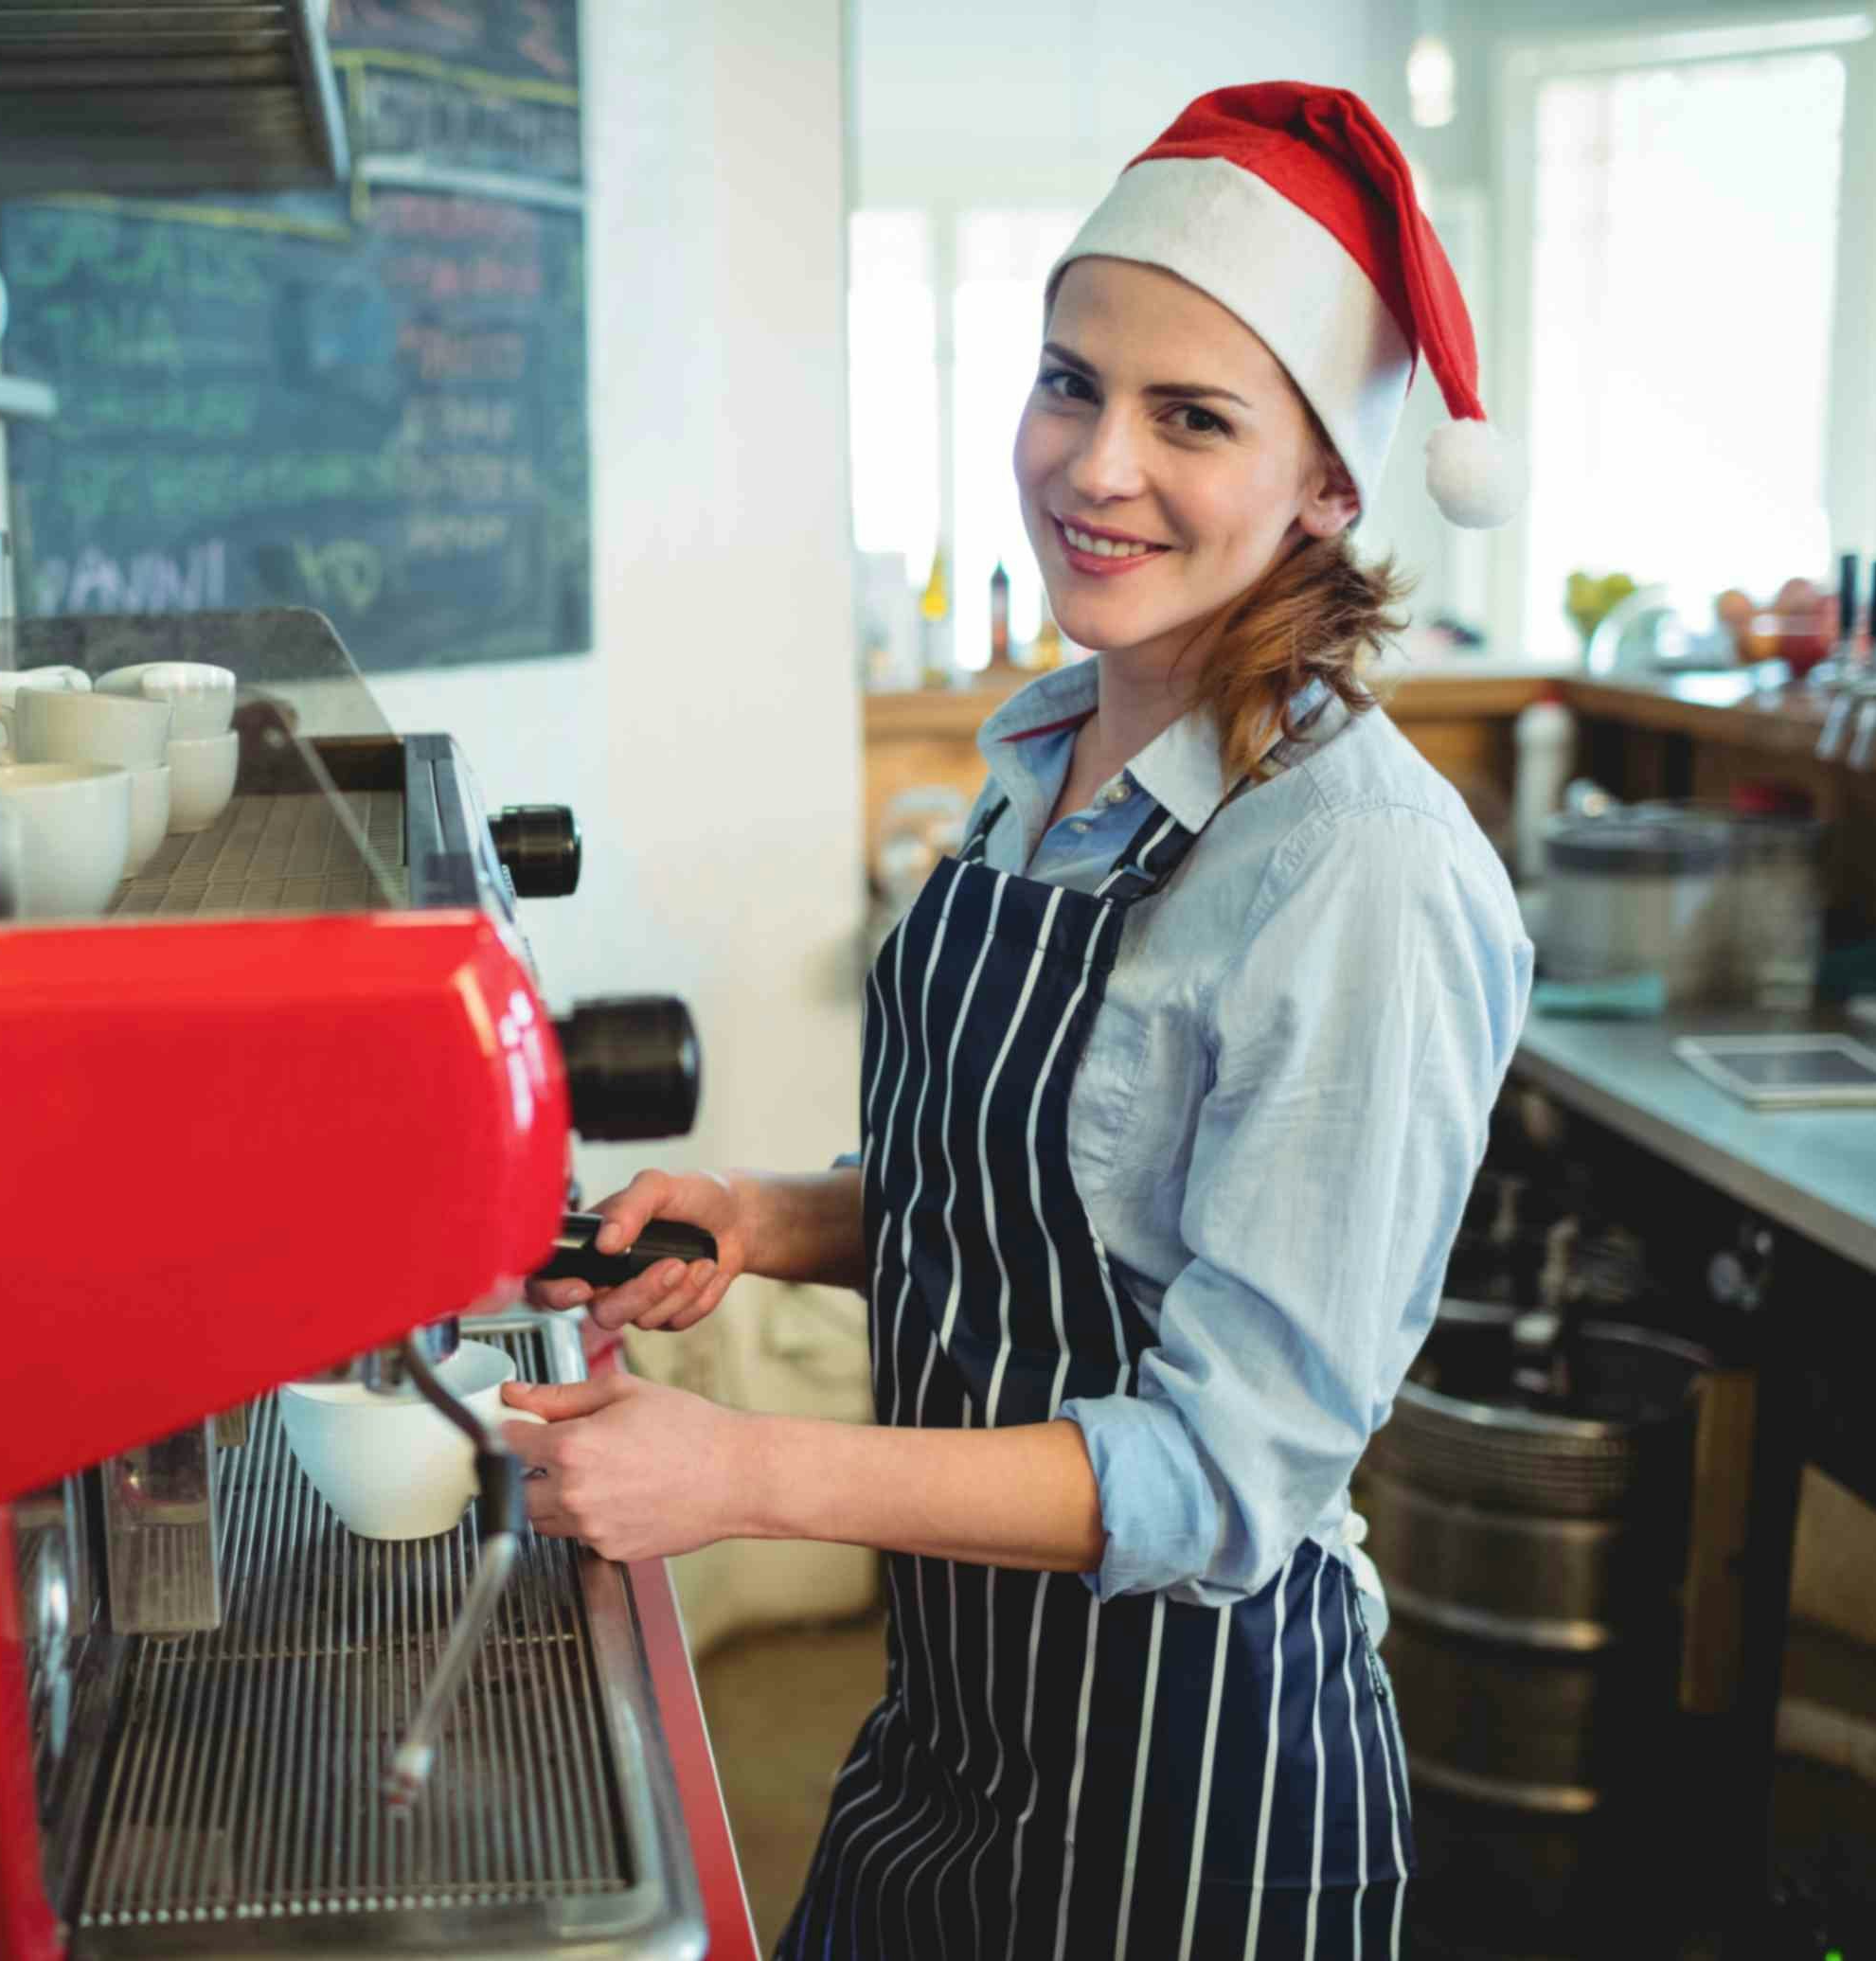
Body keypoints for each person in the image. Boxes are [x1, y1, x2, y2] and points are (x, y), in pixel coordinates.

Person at [498, 82, 1534, 1955]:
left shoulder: (1358, 877)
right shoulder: (1051, 754)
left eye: (1190, 417)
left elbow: (1225, 1475)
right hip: (956, 1724)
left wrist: (743, 1476)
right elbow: (1042, 1196)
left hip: (1195, 1797)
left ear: (1325, 486)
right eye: (1070, 382)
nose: (1094, 465)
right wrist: (775, 1216)